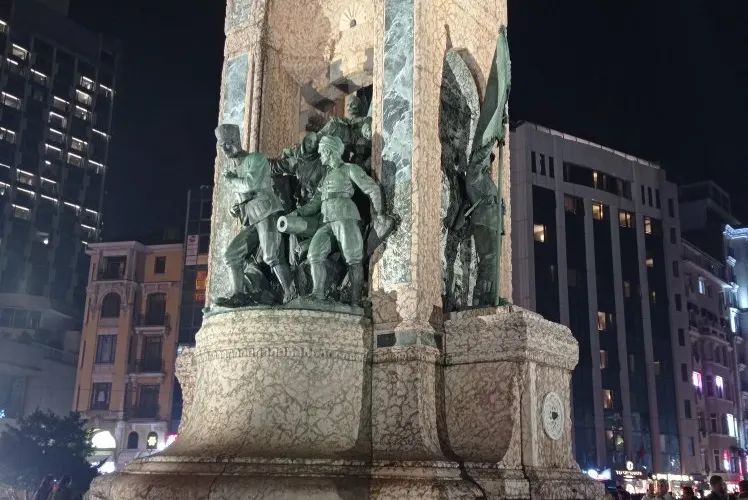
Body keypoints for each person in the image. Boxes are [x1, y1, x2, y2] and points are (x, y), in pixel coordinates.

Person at [294, 135, 385, 306]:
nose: (320, 155)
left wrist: (379, 213)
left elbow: (372, 188)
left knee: (353, 259)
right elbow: (314, 203)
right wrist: (296, 214)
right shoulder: (326, 177)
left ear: (329, 151)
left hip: (345, 217)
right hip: (327, 221)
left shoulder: (349, 169)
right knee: (314, 254)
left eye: (321, 152)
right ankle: (318, 294)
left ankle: (356, 301)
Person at [214, 124, 297, 306]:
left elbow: (251, 184)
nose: (225, 149)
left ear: (237, 141)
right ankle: (238, 296)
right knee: (231, 255)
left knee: (272, 256)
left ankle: (292, 294)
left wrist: (232, 180)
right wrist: (236, 208)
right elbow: (244, 196)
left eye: (228, 143)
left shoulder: (256, 159)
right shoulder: (234, 168)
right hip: (252, 218)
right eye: (221, 145)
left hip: (267, 212)